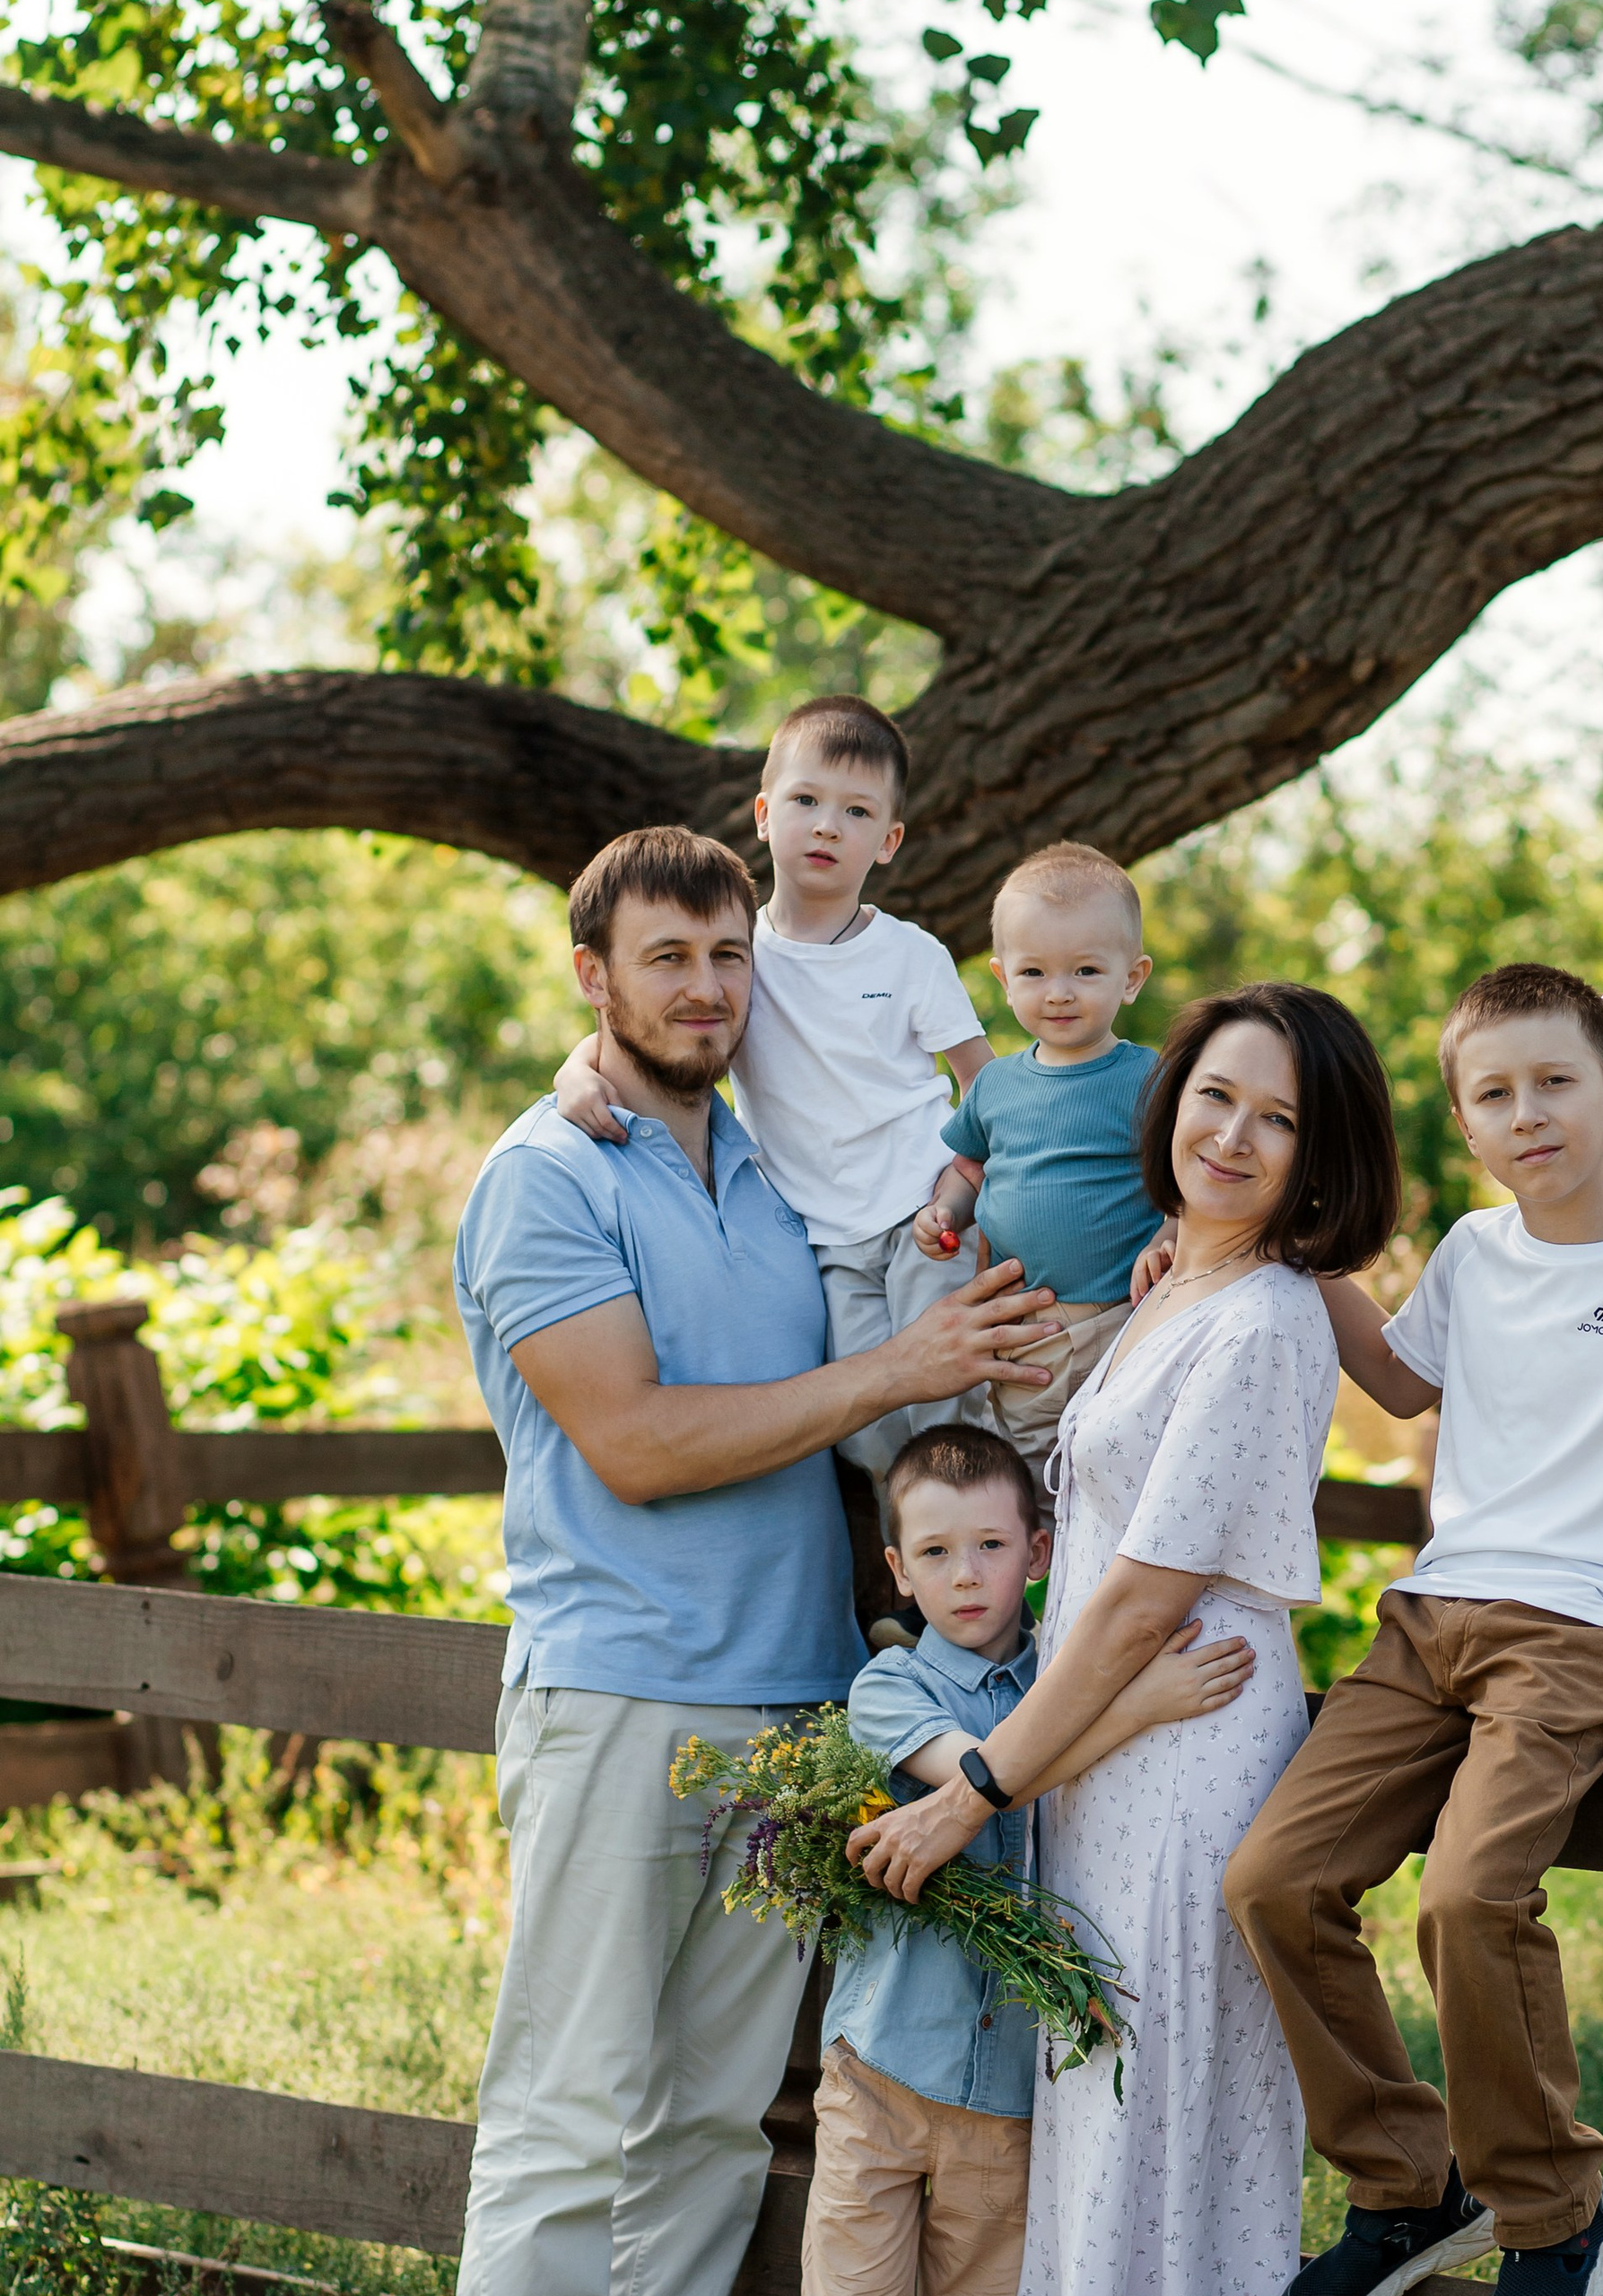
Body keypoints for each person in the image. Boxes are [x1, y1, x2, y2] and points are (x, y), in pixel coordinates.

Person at [451, 825, 1058, 2296]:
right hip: (625, 1697)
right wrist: (898, 1369)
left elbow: (1015, 1145)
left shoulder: (784, 1172)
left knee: (715, 2128)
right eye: (665, 957)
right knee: (567, 2117)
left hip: (796, 1709)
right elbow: (636, 1444)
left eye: (730, 956)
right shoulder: (548, 1177)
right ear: (592, 976)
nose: (706, 987)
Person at [1224, 962, 1603, 2296]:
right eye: (1494, 1094)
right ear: (1465, 1123)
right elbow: (1400, 1379)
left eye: (1554, 1083)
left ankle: (1555, 2215)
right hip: (1429, 1620)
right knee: (1272, 1881)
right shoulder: (1474, 1252)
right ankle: (1408, 2191)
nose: (1527, 1113)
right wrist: (1277, 1250)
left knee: (1469, 1899)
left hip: (1577, 1630)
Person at [850, 981, 1404, 2296]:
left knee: (1156, 2142)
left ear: (1319, 1154)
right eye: (1216, 1095)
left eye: (1279, 1119)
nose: (1233, 1135)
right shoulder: (1176, 1282)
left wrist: (971, 1792)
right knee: (1105, 2135)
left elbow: (1144, 1601)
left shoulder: (1263, 1319)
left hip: (1184, 1761)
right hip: (1104, 1752)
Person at [805, 1422, 1262, 2296]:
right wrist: (1136, 1707)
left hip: (1011, 2093)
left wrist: (1117, 1699)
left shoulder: (1063, 1679)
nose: (965, 1574)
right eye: (934, 1552)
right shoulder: (890, 1688)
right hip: (882, 2069)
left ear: (1038, 1552)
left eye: (990, 1545)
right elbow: (987, 1778)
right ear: (898, 1568)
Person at [553, 697, 994, 1533]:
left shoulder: (910, 956)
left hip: (921, 1211)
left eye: (857, 812)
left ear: (889, 840)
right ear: (763, 814)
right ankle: (914, 1571)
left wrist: (964, 1188)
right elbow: (652, 1022)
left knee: (950, 1417)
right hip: (821, 1236)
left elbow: (989, 1090)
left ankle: (982, 1572)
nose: (827, 825)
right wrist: (575, 1070)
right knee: (862, 1432)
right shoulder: (742, 954)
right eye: (806, 801)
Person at [913, 842, 1172, 1517]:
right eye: (1034, 972)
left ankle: (1115, 1579)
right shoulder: (996, 1084)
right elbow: (970, 1167)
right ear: (1004, 978)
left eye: (1086, 970)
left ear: (1132, 977)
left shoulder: (1150, 1079)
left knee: (1121, 1482)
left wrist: (1169, 1234)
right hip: (1025, 1329)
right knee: (1029, 1487)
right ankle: (1040, 1580)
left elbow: (1184, 1180)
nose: (1059, 991)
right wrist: (946, 1212)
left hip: (1122, 1322)